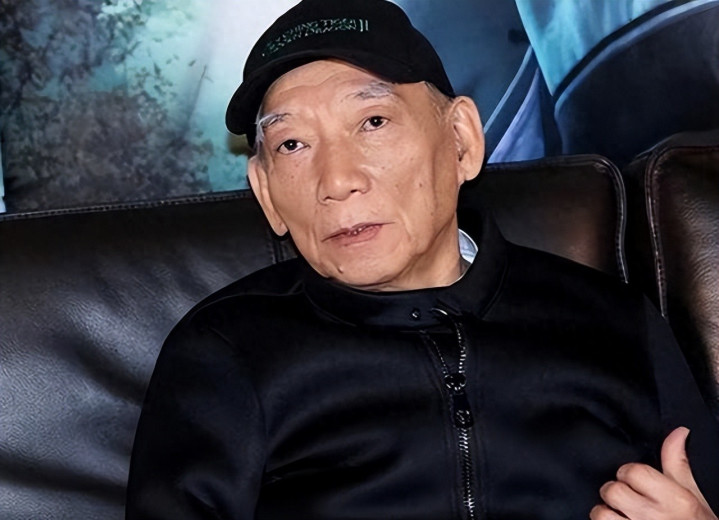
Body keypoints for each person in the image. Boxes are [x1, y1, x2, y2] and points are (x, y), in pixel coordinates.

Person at [125, 1, 719, 518]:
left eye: (373, 121)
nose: (337, 180)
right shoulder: (226, 350)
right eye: (292, 144)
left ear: (461, 140)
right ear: (265, 192)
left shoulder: (613, 322)